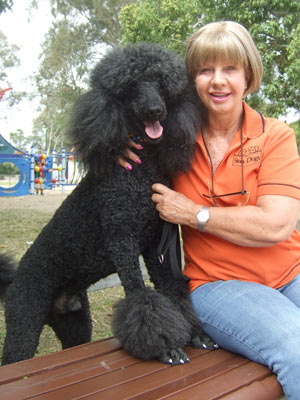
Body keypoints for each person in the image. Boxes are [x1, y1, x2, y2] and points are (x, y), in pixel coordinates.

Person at [118, 21, 300, 398]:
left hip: (290, 274)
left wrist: (194, 213)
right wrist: (113, 148)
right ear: (190, 80)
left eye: (230, 69)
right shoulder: (169, 139)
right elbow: (110, 122)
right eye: (205, 70)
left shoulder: (275, 135)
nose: (218, 81)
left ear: (248, 76)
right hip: (219, 285)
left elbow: (277, 224)